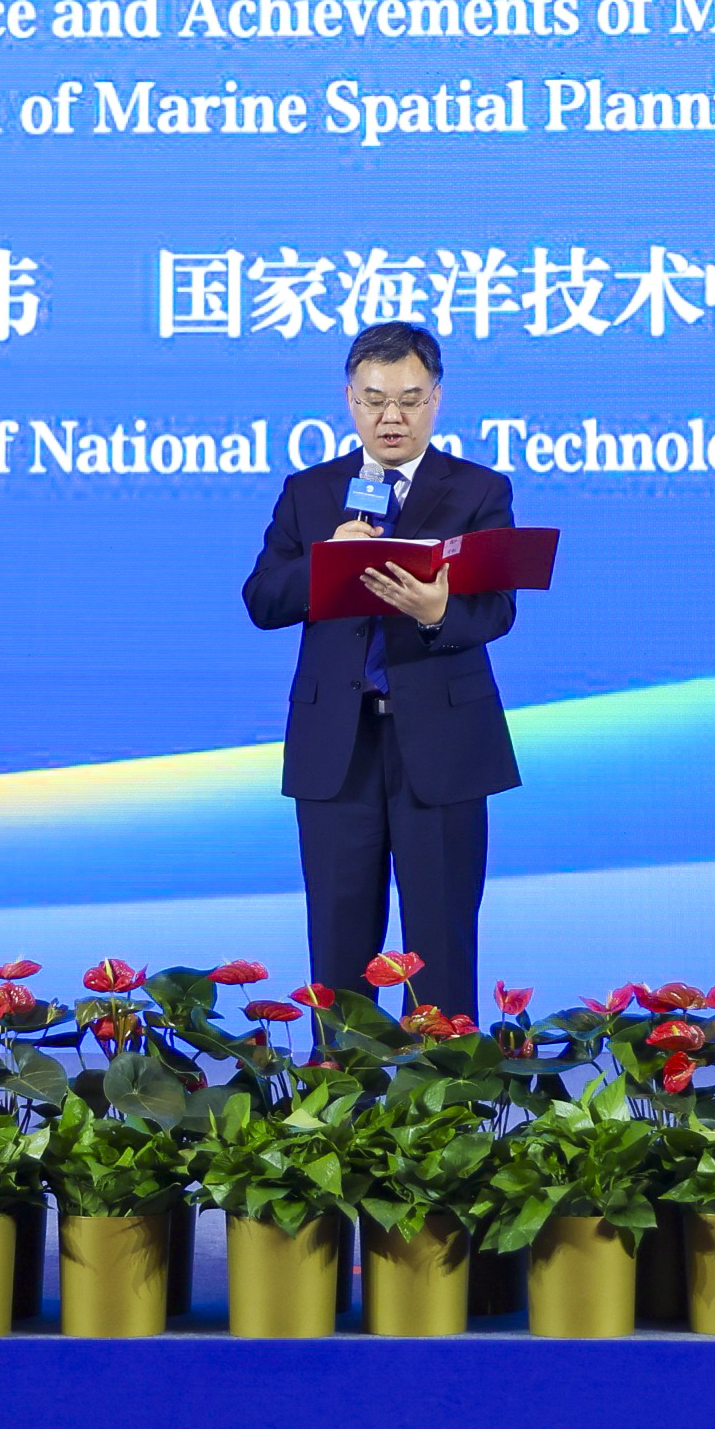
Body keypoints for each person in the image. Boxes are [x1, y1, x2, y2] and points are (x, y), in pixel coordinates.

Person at [239, 320, 518, 1029]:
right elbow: (262, 601)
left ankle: (445, 1083)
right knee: (338, 946)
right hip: (339, 746)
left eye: (410, 400)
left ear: (437, 399)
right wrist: (323, 561)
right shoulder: (309, 493)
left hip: (443, 746)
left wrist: (436, 612)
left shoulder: (479, 491)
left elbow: (497, 611)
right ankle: (341, 1085)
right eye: (374, 400)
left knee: (442, 943)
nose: (392, 417)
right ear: (350, 400)